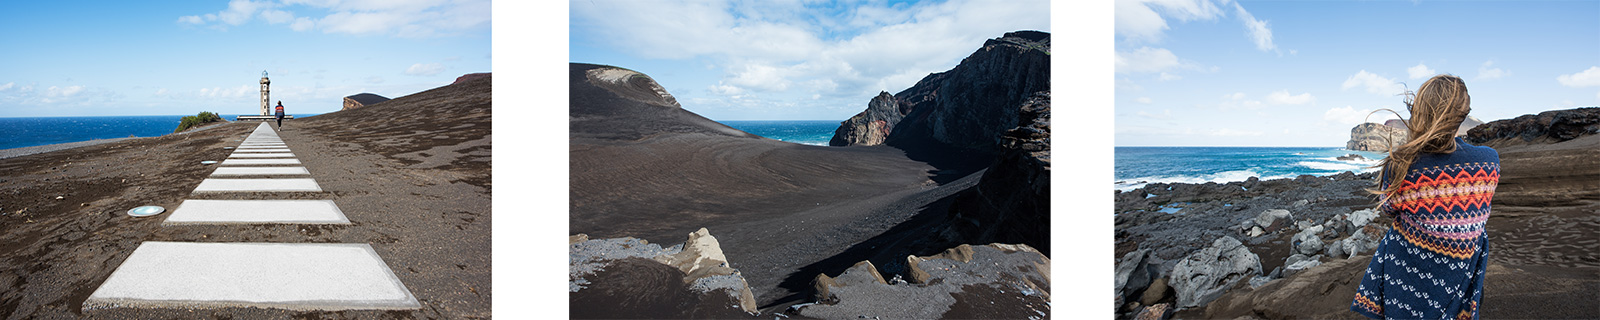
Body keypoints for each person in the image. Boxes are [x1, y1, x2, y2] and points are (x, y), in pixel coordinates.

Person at [1351, 74, 1499, 319]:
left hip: (1411, 272)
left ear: (1418, 110)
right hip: (1462, 269)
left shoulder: (1402, 164)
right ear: (1465, 113)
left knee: (1399, 232)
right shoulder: (1489, 159)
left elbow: (1388, 208)